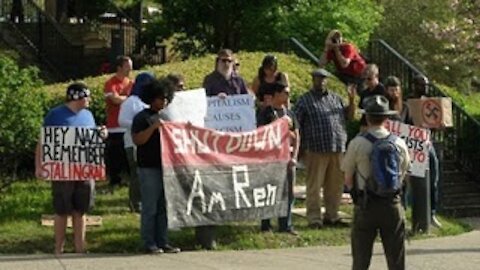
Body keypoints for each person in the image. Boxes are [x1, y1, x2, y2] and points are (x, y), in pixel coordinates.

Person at [35, 82, 106, 255]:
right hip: (62, 171)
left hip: (84, 170)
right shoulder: (55, 115)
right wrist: (39, 166)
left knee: (80, 209)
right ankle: (58, 248)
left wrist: (101, 135)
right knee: (61, 209)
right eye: (86, 96)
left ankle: (79, 247)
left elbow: (90, 141)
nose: (89, 100)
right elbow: (43, 141)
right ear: (77, 97)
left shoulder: (88, 115)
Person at [342, 95, 410, 270]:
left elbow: (348, 179)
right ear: (387, 118)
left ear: (367, 117)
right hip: (392, 205)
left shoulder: (357, 143)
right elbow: (404, 174)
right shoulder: (399, 143)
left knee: (361, 259)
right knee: (396, 259)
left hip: (366, 205)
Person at [196, 48, 249, 250]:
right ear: (217, 61)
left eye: (229, 60)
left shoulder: (240, 81)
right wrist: (215, 100)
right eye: (223, 60)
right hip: (215, 139)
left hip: (233, 139)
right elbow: (203, 105)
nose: (226, 63)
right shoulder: (209, 80)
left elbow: (245, 105)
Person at [293, 68, 356, 229]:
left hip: (337, 148)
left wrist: (351, 99)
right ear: (312, 79)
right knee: (314, 185)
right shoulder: (305, 100)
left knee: (335, 185)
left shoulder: (336, 98)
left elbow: (349, 116)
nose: (320, 81)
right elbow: (295, 123)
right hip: (315, 149)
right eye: (317, 78)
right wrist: (299, 147)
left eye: (323, 78)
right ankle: (314, 218)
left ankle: (332, 215)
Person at [131, 78, 180, 254]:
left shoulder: (168, 117)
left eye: (167, 98)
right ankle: (148, 242)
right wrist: (153, 128)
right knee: (150, 207)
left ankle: (163, 241)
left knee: (163, 207)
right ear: (152, 98)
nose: (164, 101)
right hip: (148, 167)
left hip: (166, 167)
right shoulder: (142, 117)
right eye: (161, 97)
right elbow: (137, 139)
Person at [257, 81, 300, 236]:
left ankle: (285, 224)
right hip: (271, 160)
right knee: (269, 191)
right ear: (276, 94)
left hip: (288, 158)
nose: (288, 96)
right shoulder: (265, 113)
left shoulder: (290, 113)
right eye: (285, 93)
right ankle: (266, 225)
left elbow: (297, 136)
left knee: (288, 193)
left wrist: (294, 156)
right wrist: (279, 125)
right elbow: (261, 133)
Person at [118, 72, 155, 212]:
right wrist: (140, 124)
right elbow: (121, 121)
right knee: (136, 174)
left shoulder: (149, 101)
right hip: (132, 143)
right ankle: (135, 203)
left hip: (149, 142)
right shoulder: (130, 102)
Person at [408, 74, 442, 228]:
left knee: (433, 178)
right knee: (416, 181)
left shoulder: (430, 102)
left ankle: (432, 213)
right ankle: (415, 213)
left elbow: (434, 123)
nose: (424, 87)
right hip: (414, 145)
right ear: (414, 85)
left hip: (428, 144)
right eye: (421, 84)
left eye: (426, 84)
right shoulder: (408, 103)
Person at [104, 55, 133, 191]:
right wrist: (128, 98)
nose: (130, 69)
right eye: (127, 66)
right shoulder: (110, 83)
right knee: (115, 155)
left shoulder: (131, 83)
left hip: (127, 125)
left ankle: (127, 178)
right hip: (114, 126)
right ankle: (115, 180)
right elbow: (114, 100)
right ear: (119, 67)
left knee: (126, 155)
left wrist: (122, 98)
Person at [358, 64, 386, 130]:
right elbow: (361, 107)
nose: (366, 81)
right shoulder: (365, 92)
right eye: (364, 79)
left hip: (378, 124)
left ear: (376, 76)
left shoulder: (382, 90)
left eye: (369, 79)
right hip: (365, 124)